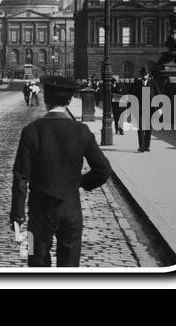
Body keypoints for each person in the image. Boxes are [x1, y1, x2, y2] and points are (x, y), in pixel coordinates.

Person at [10, 74, 111, 267]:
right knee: (70, 266)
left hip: (38, 212)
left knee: (35, 260)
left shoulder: (31, 130)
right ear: (70, 100)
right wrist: (80, 182)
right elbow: (103, 170)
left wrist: (17, 216)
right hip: (71, 210)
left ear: (45, 99)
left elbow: (21, 177)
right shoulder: (81, 131)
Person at [134, 67, 155, 152]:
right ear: (141, 75)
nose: (144, 76)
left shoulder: (152, 84)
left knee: (148, 129)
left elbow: (158, 94)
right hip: (139, 110)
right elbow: (132, 95)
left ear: (148, 75)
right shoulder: (137, 84)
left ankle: (147, 146)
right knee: (141, 128)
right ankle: (141, 146)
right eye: (143, 74)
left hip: (149, 110)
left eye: (146, 74)